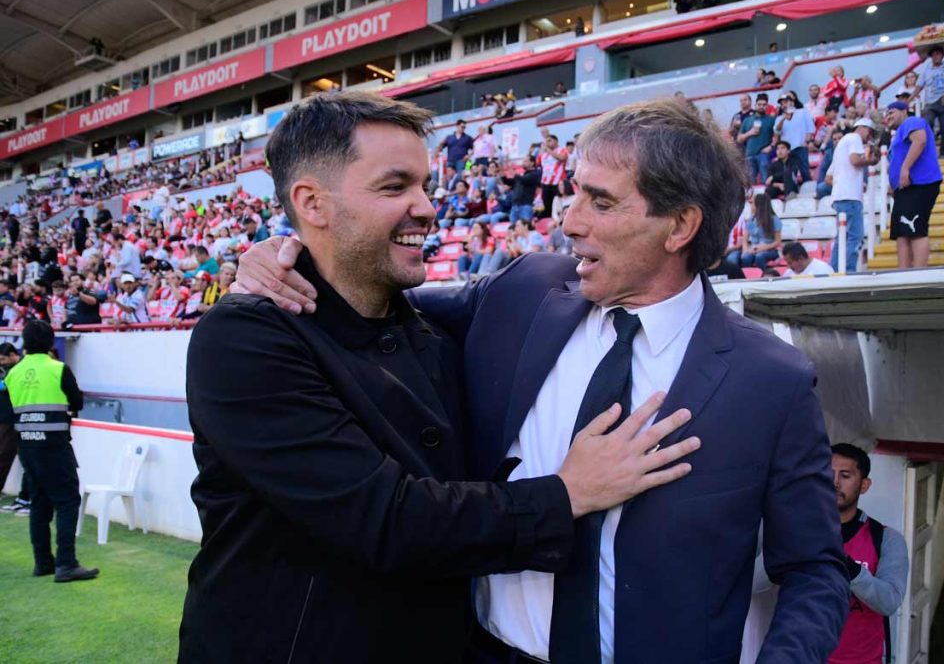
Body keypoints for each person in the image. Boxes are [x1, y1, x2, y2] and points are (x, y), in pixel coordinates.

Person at [239, 98, 850, 663]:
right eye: (575, 193)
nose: (570, 222)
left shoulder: (771, 379)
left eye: (601, 202)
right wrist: (289, 257)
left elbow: (815, 570)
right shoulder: (526, 290)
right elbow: (369, 297)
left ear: (679, 226)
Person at [181, 92, 699, 662]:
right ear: (312, 203)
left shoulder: (436, 329)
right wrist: (568, 493)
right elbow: (385, 520)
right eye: (395, 187)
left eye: (425, 185)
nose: (427, 208)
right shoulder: (246, 338)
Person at [5, 320, 96, 582]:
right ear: (49, 341)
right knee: (67, 502)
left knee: (39, 503)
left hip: (26, 446)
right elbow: (77, 401)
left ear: (24, 343)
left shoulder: (13, 373)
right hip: (54, 445)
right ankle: (66, 564)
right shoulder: (58, 368)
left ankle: (43, 562)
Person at [829, 444, 909, 664]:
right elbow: (759, 582)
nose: (834, 482)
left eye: (845, 475)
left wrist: (851, 569)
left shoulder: (886, 538)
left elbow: (889, 601)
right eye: (828, 473)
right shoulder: (800, 531)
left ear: (864, 485)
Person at [885, 101, 943, 268]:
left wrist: (905, 168)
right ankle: (903, 273)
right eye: (887, 114)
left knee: (915, 228)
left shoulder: (912, 121)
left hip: (919, 183)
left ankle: (919, 272)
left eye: (892, 112)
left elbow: (920, 140)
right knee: (902, 232)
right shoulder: (898, 134)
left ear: (904, 111)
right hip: (904, 188)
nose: (888, 116)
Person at [828, 118, 881, 273]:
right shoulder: (854, 138)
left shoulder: (842, 145)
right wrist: (871, 161)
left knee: (842, 237)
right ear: (863, 128)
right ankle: (848, 270)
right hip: (850, 195)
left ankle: (836, 270)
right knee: (855, 236)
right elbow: (855, 160)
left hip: (840, 195)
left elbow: (828, 177)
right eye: (870, 133)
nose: (869, 137)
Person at [910, 45, 944, 159]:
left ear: (943, 55)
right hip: (930, 102)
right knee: (926, 123)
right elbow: (919, 86)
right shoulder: (926, 70)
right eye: (933, 55)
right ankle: (929, 149)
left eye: (938, 54)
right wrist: (910, 99)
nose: (936, 56)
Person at [0, 342, 32, 517]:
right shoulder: (10, 369)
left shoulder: (21, 368)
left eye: (3, 359)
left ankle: (27, 498)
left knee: (6, 455)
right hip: (7, 418)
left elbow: (8, 386)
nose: (2, 362)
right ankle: (24, 497)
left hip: (14, 418)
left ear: (13, 354)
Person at [773, 92, 815, 184]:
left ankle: (809, 189)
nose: (784, 105)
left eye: (786, 102)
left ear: (792, 102)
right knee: (789, 174)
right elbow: (777, 131)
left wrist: (807, 141)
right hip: (787, 150)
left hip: (801, 147)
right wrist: (783, 118)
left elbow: (811, 128)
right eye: (782, 104)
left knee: (804, 171)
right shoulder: (779, 118)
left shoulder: (803, 112)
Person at [738, 94, 775, 184]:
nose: (761, 106)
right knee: (750, 183)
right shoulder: (747, 120)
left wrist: (770, 147)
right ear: (755, 105)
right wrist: (750, 133)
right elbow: (739, 139)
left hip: (764, 154)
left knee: (765, 181)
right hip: (749, 154)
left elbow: (778, 136)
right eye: (759, 104)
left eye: (764, 105)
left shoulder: (772, 120)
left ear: (767, 106)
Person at [502, 156, 542, 224]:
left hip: (526, 205)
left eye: (525, 161)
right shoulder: (522, 175)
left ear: (532, 163)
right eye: (523, 161)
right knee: (513, 228)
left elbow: (524, 180)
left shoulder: (534, 174)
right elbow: (508, 182)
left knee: (525, 226)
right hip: (515, 205)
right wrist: (502, 174)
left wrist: (514, 173)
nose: (523, 163)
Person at [539, 134, 568, 218]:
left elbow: (562, 158)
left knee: (558, 204)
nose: (547, 143)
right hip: (545, 183)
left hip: (557, 182)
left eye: (549, 140)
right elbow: (538, 164)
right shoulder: (544, 154)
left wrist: (548, 150)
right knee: (547, 205)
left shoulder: (562, 150)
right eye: (546, 141)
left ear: (556, 141)